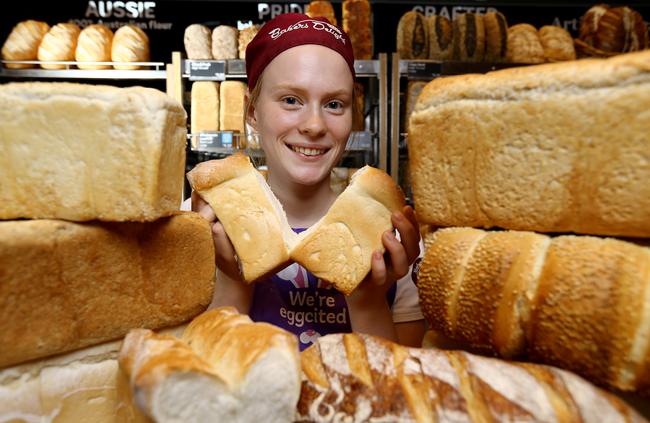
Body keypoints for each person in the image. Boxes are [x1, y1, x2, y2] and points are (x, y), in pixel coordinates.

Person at [190, 13, 425, 350]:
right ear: (252, 111)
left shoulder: (393, 238)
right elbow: (188, 388)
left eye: (334, 104)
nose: (314, 125)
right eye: (291, 100)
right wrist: (234, 280)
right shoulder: (198, 224)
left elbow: (401, 393)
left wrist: (368, 300)